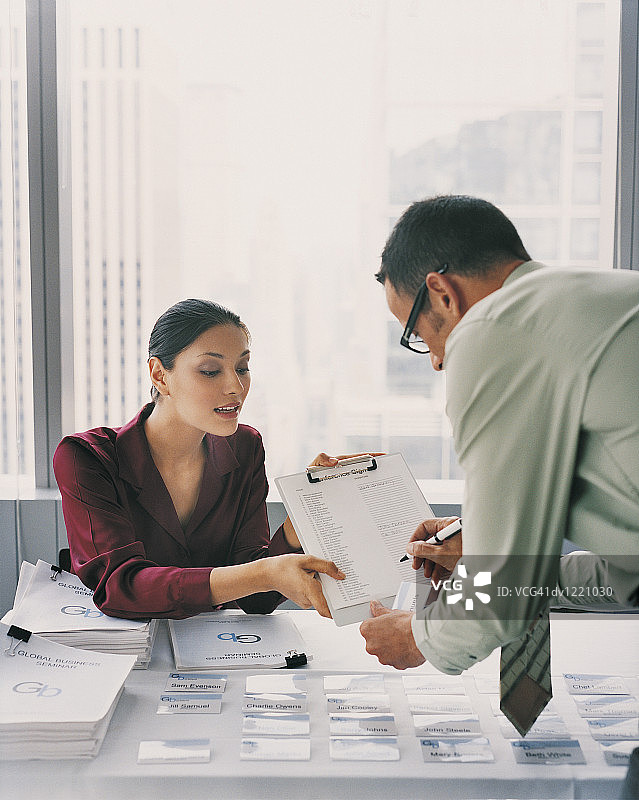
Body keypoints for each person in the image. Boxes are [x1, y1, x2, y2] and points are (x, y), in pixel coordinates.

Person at [359, 194, 639, 674]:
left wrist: (420, 636)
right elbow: (626, 577)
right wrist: (487, 551)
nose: (436, 360)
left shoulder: (493, 330)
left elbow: (501, 591)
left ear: (444, 294)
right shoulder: (599, 301)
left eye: (419, 334)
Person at [53, 298, 344, 620]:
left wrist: (308, 512)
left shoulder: (245, 446)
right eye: (210, 371)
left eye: (242, 368)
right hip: (118, 656)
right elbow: (120, 587)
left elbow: (256, 599)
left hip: (217, 654)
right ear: (160, 375)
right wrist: (262, 574)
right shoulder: (87, 457)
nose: (236, 386)